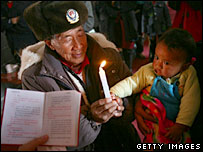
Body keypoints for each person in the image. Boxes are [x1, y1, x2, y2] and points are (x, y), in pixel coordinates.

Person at [16, 1, 139, 151]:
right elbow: (54, 139)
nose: (78, 45)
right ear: (50, 43)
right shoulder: (36, 78)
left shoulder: (110, 56)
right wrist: (92, 119)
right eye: (67, 38)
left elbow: (134, 104)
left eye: (80, 34)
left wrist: (122, 106)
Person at [110, 28, 201, 143]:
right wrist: (114, 92)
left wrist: (181, 124)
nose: (158, 65)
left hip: (176, 125)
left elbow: (191, 101)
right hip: (153, 124)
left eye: (166, 63)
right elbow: (132, 83)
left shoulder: (188, 75)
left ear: (184, 66)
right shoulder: (147, 70)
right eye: (157, 57)